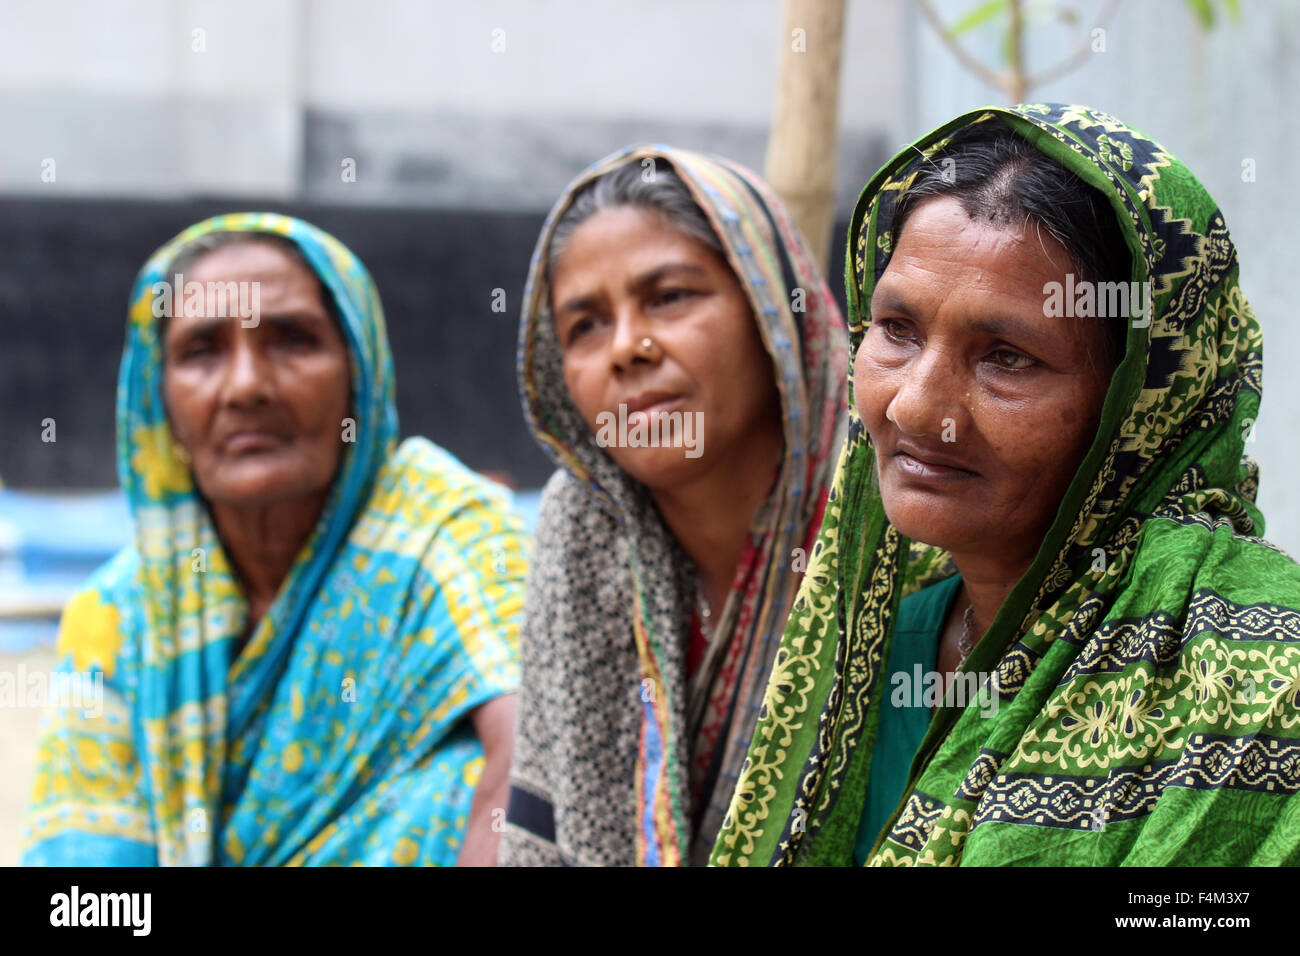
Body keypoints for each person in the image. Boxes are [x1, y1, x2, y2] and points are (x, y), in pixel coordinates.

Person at [712, 104, 1300, 867]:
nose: (916, 404)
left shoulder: (1257, 681)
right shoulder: (868, 658)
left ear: (1141, 405)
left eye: (1007, 357)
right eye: (897, 329)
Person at [23, 212, 525, 866]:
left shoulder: (439, 526)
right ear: (158, 400)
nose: (247, 387)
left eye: (292, 340)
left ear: (359, 373)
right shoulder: (123, 617)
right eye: (203, 350)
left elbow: (538, 748)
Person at [500, 147, 847, 865]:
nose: (627, 347)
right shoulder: (582, 525)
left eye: (670, 297)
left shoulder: (893, 512)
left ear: (767, 314)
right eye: (586, 325)